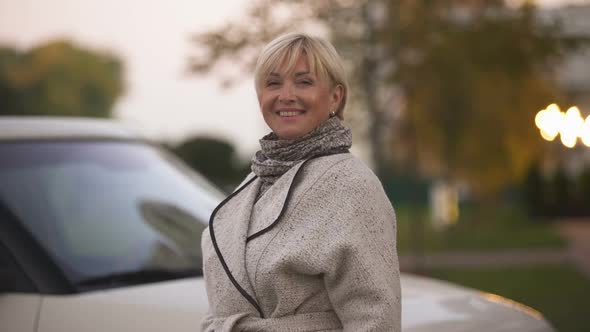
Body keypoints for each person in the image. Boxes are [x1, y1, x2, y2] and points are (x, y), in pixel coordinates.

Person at [201, 32, 401, 332]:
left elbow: (376, 318)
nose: (286, 95)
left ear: (336, 96)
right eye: (273, 83)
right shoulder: (253, 181)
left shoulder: (352, 185)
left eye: (304, 82)